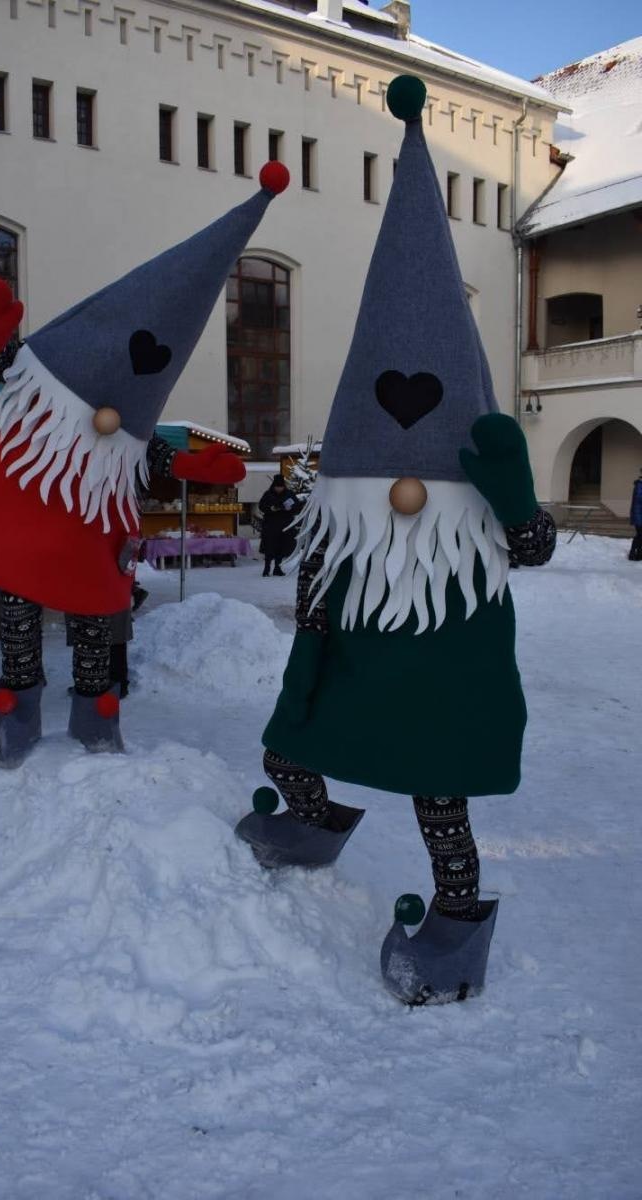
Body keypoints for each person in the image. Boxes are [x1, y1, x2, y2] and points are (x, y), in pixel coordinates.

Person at [235, 76, 557, 1008]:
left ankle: (457, 923)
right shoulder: (344, 529)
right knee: (285, 750)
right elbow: (314, 597)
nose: (407, 489)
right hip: (362, 669)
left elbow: (532, 546)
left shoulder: (472, 525)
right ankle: (314, 822)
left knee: (437, 796)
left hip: (442, 689)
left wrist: (510, 490)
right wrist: (308, 657)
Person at [0, 161, 290, 768]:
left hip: (85, 543)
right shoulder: (39, 394)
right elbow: (3, 366)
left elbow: (160, 453)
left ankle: (95, 721)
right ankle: (18, 723)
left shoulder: (125, 438)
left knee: (92, 631)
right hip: (23, 539)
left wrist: (196, 465)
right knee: (20, 627)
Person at [258, 475, 299, 576]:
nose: (279, 489)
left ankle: (277, 568)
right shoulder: (268, 494)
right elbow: (261, 506)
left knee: (281, 547)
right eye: (277, 487)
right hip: (271, 525)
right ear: (273, 486)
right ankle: (266, 568)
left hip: (285, 525)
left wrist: (291, 508)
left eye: (281, 487)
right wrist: (271, 508)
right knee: (269, 547)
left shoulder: (289, 494)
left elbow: (298, 506)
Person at [629, 468, 642, 561]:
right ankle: (633, 553)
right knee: (640, 535)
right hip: (638, 515)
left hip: (639, 514)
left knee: (640, 535)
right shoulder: (639, 485)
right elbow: (639, 498)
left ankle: (638, 553)